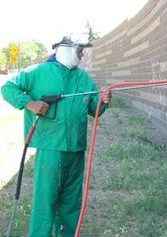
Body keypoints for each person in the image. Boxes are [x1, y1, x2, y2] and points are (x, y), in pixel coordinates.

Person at [1, 36, 111, 237]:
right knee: (46, 203)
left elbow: (95, 109)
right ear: (67, 50)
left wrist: (103, 101)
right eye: (80, 50)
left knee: (71, 205)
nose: (83, 54)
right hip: (50, 150)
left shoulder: (83, 78)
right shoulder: (38, 72)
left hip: (76, 151)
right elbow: (7, 88)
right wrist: (29, 103)